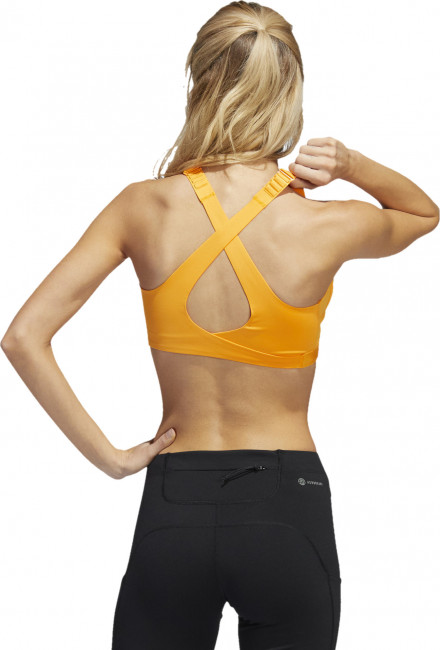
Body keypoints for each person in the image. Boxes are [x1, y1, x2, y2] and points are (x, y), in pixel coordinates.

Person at [2, 1, 438, 649]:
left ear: (200, 82)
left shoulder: (143, 207)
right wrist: (350, 164)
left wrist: (112, 459)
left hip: (174, 501)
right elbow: (423, 213)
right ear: (289, 91)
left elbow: (22, 337)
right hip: (287, 505)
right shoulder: (323, 223)